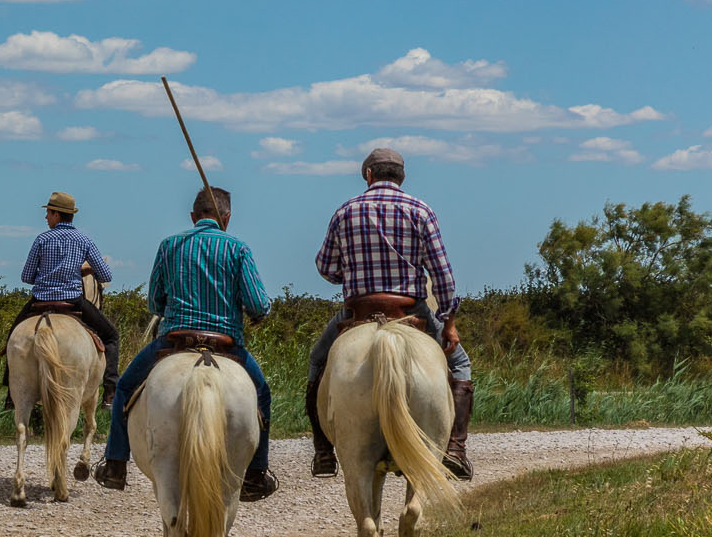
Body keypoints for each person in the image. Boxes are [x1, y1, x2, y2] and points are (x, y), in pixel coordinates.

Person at [304, 147, 475, 480]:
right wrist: (449, 323)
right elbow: (442, 275)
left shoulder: (345, 211)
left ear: (368, 175)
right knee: (460, 364)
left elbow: (326, 267)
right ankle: (455, 449)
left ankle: (323, 450)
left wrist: (350, 272)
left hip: (358, 310)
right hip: (411, 309)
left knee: (317, 362)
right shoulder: (421, 210)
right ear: (402, 177)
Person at [97, 187, 276, 498]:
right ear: (226, 218)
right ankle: (256, 473)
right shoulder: (238, 248)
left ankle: (115, 463)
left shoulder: (170, 245)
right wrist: (256, 311)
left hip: (174, 340)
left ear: (193, 216)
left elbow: (154, 302)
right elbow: (258, 304)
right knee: (262, 394)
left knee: (124, 387)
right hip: (225, 344)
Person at [18, 191, 121, 396]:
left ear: (57, 214)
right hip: (72, 301)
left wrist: (46, 275)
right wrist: (84, 270)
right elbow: (106, 275)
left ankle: (11, 394)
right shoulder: (84, 240)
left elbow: (26, 277)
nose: (46, 217)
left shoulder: (41, 239)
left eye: (48, 212)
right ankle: (110, 388)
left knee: (14, 338)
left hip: (39, 301)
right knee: (111, 336)